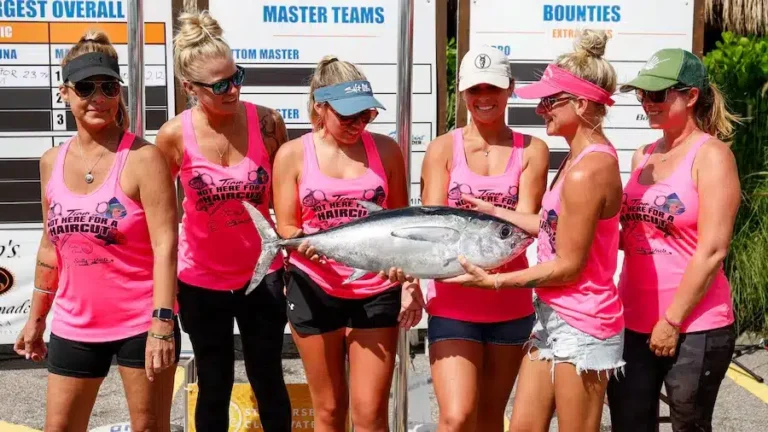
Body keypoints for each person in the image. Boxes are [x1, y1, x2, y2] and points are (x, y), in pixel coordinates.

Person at [440, 30, 625, 432]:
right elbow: (551, 227)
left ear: (580, 103)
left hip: (584, 323)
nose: (541, 110)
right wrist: (494, 210)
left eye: (549, 101)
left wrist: (495, 281)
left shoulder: (590, 169)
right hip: (553, 317)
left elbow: (568, 266)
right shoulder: (577, 160)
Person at [13, 31, 180, 431]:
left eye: (109, 86)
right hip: (75, 323)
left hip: (141, 323)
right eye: (86, 87)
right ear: (64, 93)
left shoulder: (144, 158)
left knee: (149, 428)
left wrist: (162, 322)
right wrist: (37, 319)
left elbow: (166, 243)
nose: (99, 97)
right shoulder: (51, 162)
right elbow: (51, 247)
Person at [154, 10, 291, 432]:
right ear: (189, 88)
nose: (233, 89)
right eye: (219, 85)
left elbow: (285, 203)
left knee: (268, 376)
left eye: (237, 77)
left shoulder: (268, 123)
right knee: (214, 381)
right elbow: (163, 216)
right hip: (201, 280)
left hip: (262, 274)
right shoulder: (173, 136)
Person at [271, 55, 424, 432]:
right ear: (320, 108)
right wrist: (304, 243)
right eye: (348, 116)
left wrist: (410, 283)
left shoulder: (386, 151)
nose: (359, 125)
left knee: (370, 414)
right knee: (328, 411)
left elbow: (401, 227)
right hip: (313, 287)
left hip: (374, 288)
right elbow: (288, 225)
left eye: (367, 115)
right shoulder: (292, 154)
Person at [606, 48, 741, 432]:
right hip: (632, 320)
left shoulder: (711, 156)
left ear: (691, 95)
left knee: (689, 427)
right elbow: (634, 235)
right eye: (642, 95)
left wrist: (672, 320)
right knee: (628, 425)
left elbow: (713, 249)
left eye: (658, 95)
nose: (648, 103)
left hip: (694, 325)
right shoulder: (642, 156)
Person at [419, 45, 549, 432]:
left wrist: (493, 216)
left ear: (510, 89)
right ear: (463, 93)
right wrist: (409, 281)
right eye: (475, 90)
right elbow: (430, 230)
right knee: (457, 417)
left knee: (490, 420)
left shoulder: (533, 150)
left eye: (492, 88)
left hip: (509, 302)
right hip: (453, 302)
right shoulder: (443, 148)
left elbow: (528, 225)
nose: (484, 98)